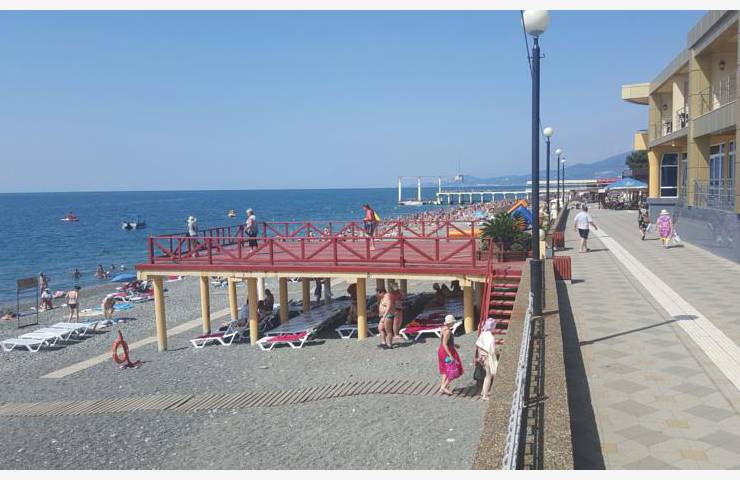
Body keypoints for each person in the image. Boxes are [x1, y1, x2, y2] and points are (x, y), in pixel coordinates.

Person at [438, 315, 463, 395]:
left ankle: (442, 387)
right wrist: (450, 355)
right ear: (450, 323)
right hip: (446, 352)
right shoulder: (448, 331)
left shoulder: (443, 328)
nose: (453, 323)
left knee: (445, 370)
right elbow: (445, 344)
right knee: (453, 370)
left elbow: (444, 341)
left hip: (441, 350)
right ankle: (444, 386)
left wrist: (454, 345)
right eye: (453, 322)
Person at [474, 319, 499, 401]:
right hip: (488, 358)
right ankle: (485, 395)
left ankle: (483, 391)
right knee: (489, 376)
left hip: (482, 357)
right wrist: (498, 350)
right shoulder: (491, 337)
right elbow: (493, 351)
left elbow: (478, 346)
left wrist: (479, 356)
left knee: (487, 375)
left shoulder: (483, 333)